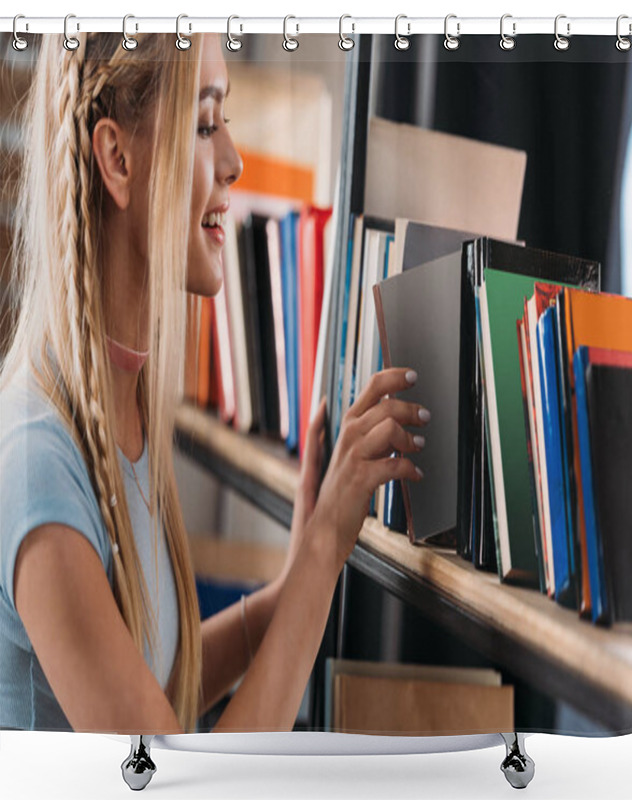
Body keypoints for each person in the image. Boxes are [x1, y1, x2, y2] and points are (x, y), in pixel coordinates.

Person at [0, 32, 427, 734]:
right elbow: (177, 778)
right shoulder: (37, 468)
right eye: (204, 125)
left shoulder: (122, 415)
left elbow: (154, 689)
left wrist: (297, 575)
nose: (232, 160)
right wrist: (321, 558)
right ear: (117, 158)